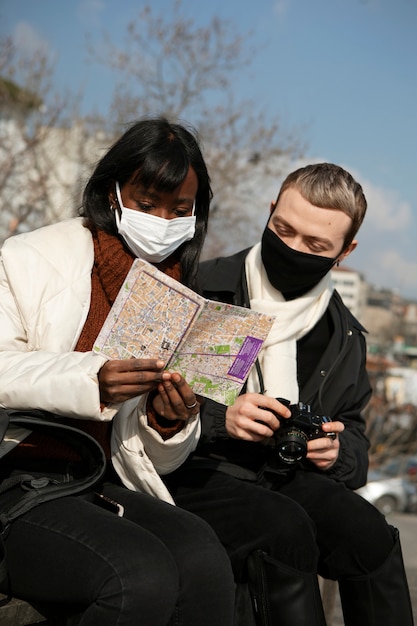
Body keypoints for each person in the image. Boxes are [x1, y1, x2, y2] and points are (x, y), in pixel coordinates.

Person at [0, 117, 235, 625]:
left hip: (97, 479)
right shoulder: (29, 258)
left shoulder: (178, 297)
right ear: (112, 195)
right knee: (139, 575)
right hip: (17, 475)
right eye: (147, 204)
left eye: (180, 210)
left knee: (202, 557)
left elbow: (147, 456)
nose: (162, 221)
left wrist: (170, 421)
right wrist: (93, 379)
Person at [163, 163, 414, 626]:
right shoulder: (201, 287)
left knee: (371, 534)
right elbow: (149, 398)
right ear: (271, 210)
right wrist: (223, 417)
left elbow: (356, 442)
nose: (293, 248)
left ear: (345, 251)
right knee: (284, 528)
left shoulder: (345, 335)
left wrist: (334, 451)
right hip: (195, 469)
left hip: (285, 475)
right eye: (283, 229)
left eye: (316, 245)